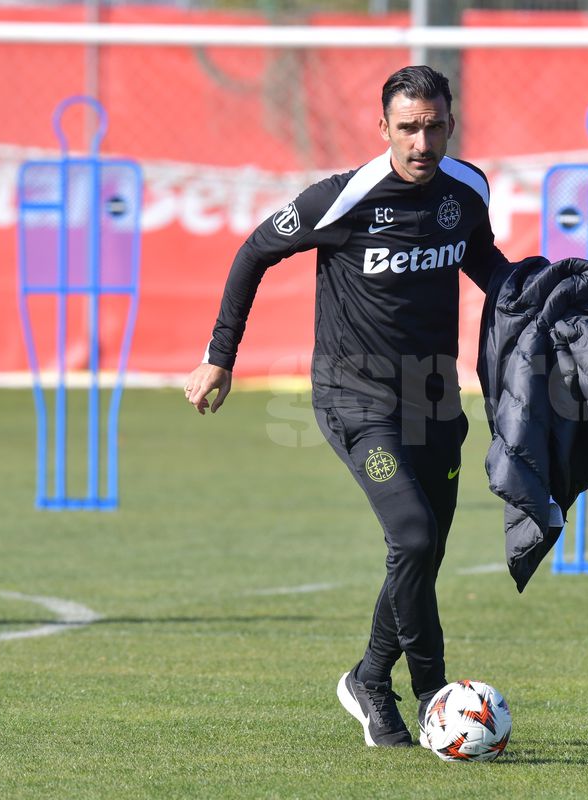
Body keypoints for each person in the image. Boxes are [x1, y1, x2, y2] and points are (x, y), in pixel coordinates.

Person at [183, 66, 510, 745]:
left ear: (451, 123)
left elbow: (484, 262)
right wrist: (221, 354)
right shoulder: (345, 198)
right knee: (413, 536)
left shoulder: (467, 190)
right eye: (409, 127)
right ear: (382, 127)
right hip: (353, 399)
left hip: (436, 399)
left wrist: (540, 294)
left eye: (435, 125)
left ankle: (369, 677)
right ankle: (432, 695)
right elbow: (253, 252)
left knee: (422, 553)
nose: (423, 142)